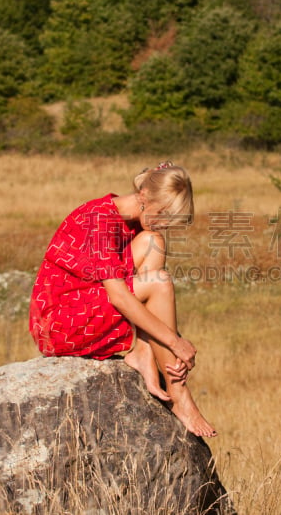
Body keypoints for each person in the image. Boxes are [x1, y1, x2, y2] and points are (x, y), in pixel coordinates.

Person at [29, 161, 217, 437]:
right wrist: (174, 341)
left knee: (154, 243)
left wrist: (167, 339)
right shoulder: (101, 219)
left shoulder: (132, 221)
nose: (165, 224)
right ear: (144, 196)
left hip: (86, 302)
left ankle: (143, 351)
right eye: (163, 214)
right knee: (160, 284)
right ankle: (180, 397)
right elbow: (118, 297)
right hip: (59, 325)